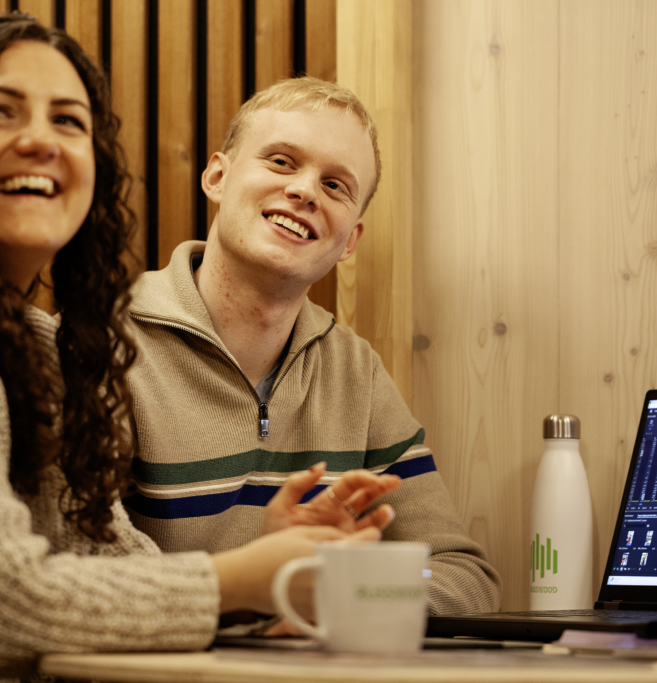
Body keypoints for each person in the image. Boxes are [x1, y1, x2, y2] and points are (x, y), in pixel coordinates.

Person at [0, 16, 388, 682]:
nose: (41, 140)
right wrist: (237, 581)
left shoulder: (38, 343)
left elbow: (99, 556)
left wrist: (263, 571)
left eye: (69, 121)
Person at [123, 77, 502, 617]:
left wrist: (342, 598)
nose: (303, 191)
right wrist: (262, 592)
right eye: (281, 161)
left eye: (335, 185)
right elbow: (72, 580)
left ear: (350, 240)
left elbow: (461, 572)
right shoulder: (102, 345)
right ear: (217, 176)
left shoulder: (355, 372)